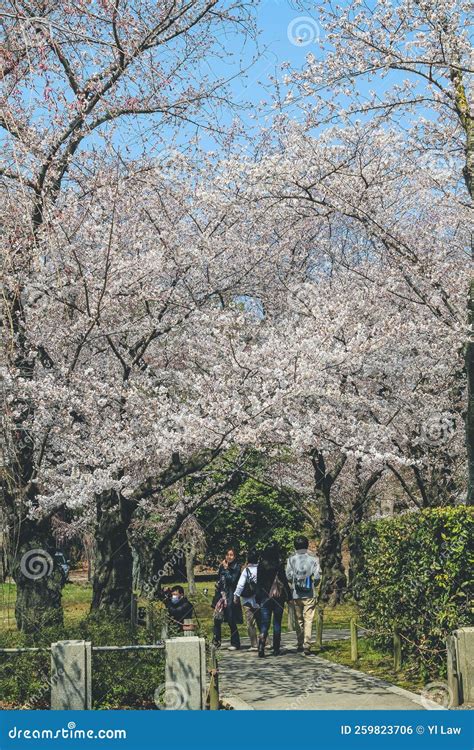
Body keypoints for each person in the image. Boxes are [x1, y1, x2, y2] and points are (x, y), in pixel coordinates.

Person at [286, 535, 321, 656]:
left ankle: (300, 643)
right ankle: (307, 644)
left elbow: (288, 576)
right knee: (308, 619)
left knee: (299, 620)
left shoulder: (291, 559)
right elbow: (317, 576)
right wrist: (313, 583)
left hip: (296, 594)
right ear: (306, 545)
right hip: (310, 593)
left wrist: (295, 582)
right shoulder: (313, 558)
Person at [256, 542, 290, 657]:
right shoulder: (279, 564)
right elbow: (284, 581)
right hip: (278, 598)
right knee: (277, 623)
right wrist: (289, 596)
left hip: (265, 597)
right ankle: (276, 648)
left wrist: (258, 596)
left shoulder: (261, 565)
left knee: (264, 623)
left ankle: (261, 645)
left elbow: (258, 582)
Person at [212, 547, 242, 650]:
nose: (229, 557)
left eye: (231, 555)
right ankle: (216, 642)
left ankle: (235, 643)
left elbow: (233, 580)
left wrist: (226, 569)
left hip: (230, 595)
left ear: (235, 556)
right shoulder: (222, 566)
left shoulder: (237, 567)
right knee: (217, 618)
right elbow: (220, 578)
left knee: (231, 619)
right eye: (227, 555)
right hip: (221, 595)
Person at [234, 549, 260, 651]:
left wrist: (236, 596)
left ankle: (254, 644)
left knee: (250, 623)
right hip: (259, 599)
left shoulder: (246, 570)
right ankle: (266, 642)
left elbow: (240, 585)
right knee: (261, 621)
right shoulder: (261, 569)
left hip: (247, 600)